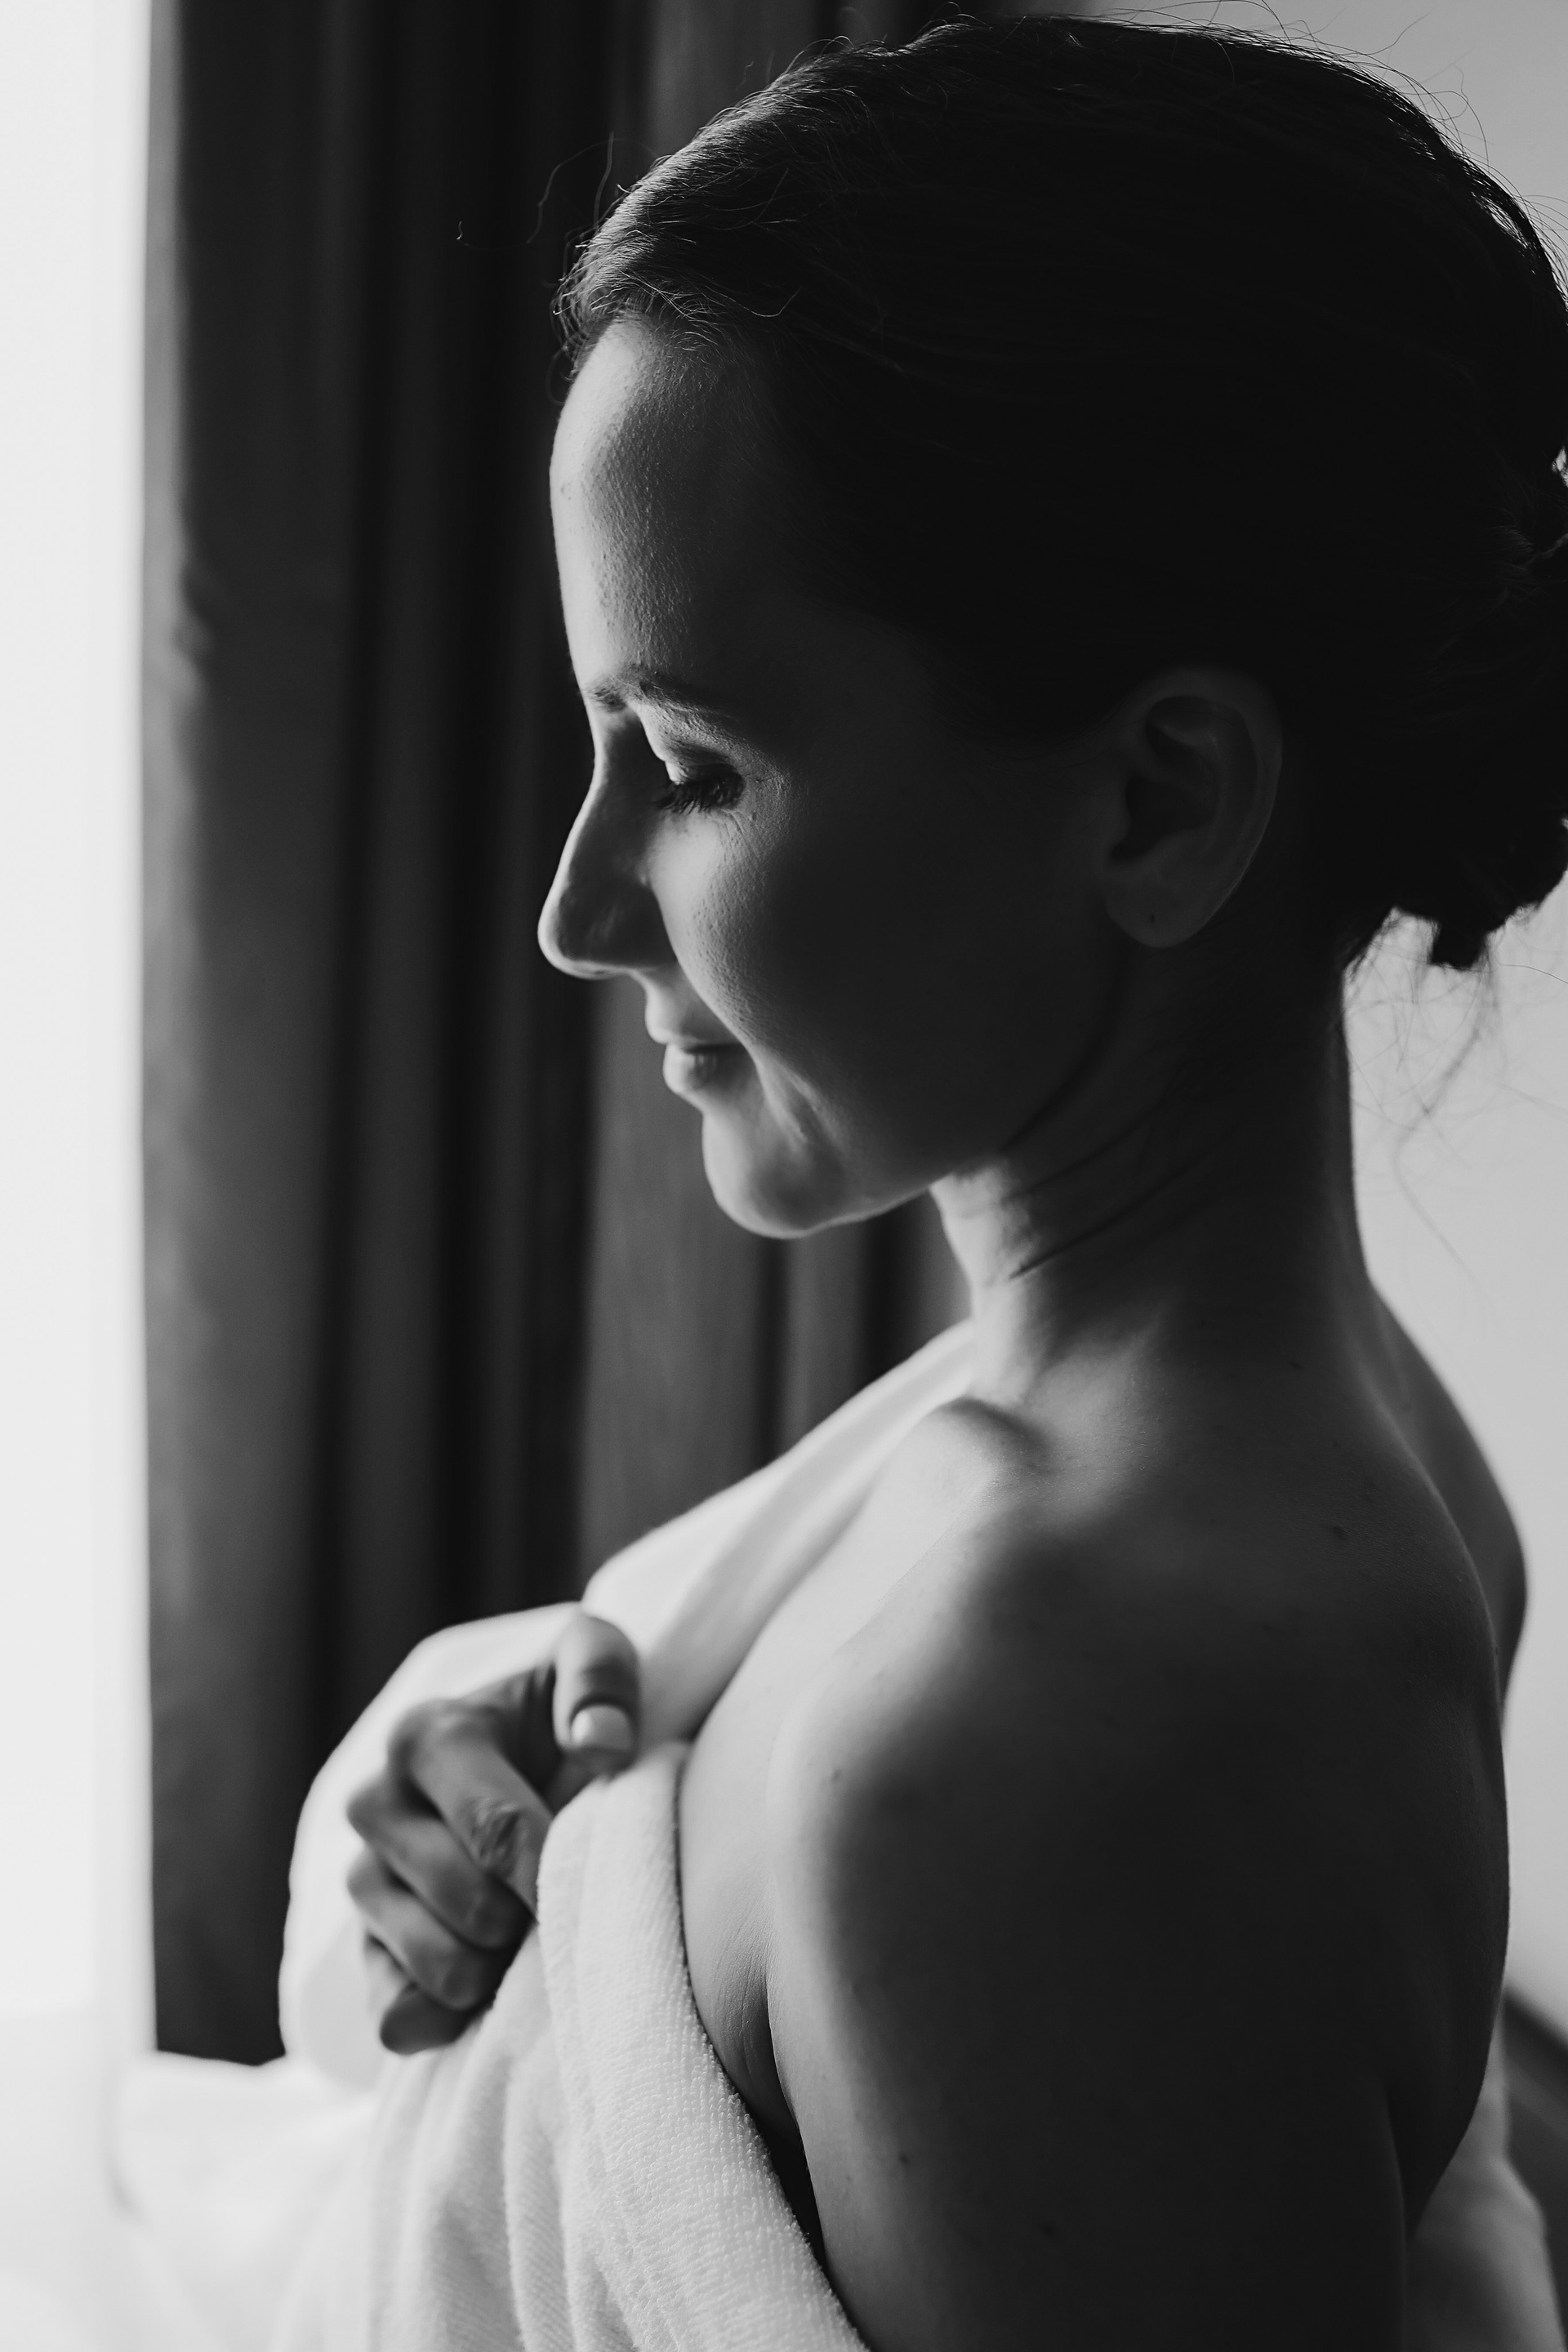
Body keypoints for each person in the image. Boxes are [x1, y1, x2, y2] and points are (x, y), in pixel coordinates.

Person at [340, 17, 1568, 2347]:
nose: (575, 912)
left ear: (1157, 801)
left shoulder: (1038, 1759)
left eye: (687, 760)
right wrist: (573, 1800)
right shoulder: (1361, 1445)